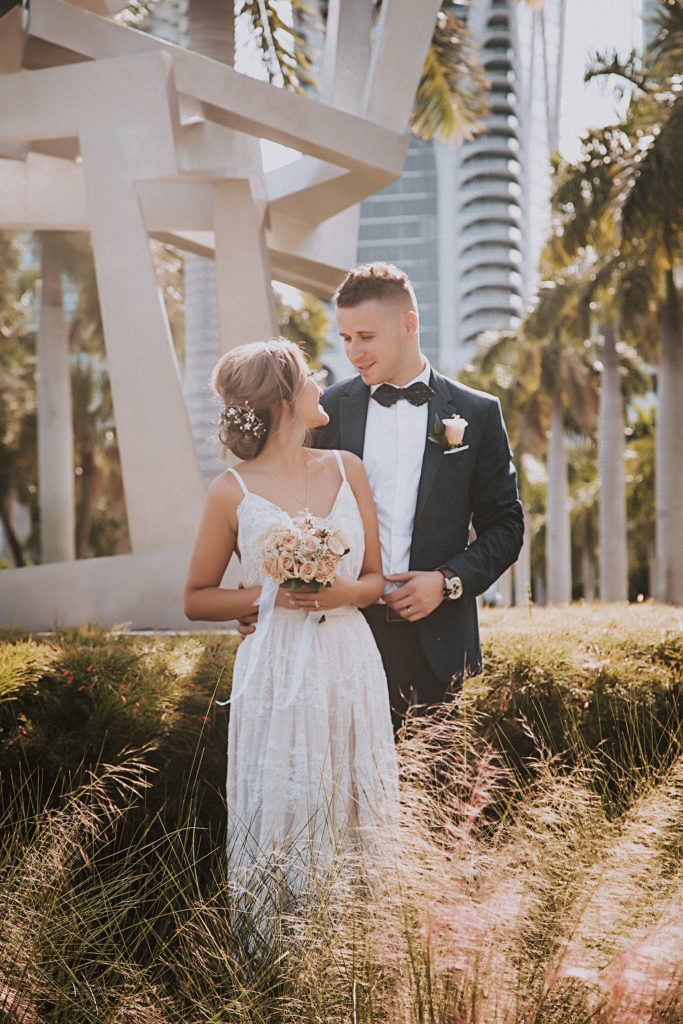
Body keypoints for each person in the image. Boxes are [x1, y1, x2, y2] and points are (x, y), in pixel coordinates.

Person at [184, 338, 398, 888]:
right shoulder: (228, 491)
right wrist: (271, 596)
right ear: (282, 398)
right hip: (275, 667)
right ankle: (281, 956)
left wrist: (339, 593)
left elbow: (373, 580)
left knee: (356, 801)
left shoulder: (347, 469)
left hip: (349, 658)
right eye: (309, 376)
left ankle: (365, 950)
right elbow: (197, 597)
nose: (321, 384)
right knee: (284, 802)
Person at [315, 262, 525, 730]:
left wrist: (447, 581)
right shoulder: (325, 410)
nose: (352, 352)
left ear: (409, 325)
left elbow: (507, 525)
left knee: (434, 798)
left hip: (437, 644)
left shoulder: (477, 412)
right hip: (341, 634)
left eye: (365, 336)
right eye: (345, 338)